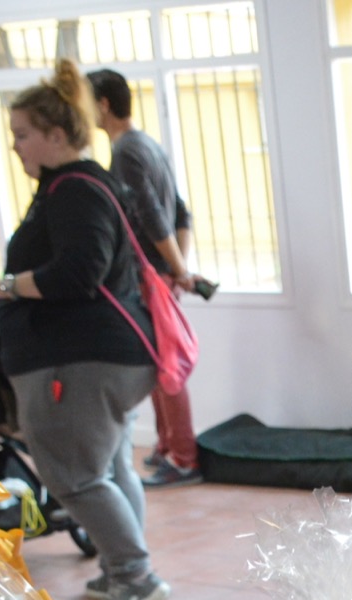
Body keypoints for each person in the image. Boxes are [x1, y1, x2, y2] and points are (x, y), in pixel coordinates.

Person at [0, 59, 170, 600]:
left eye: (23, 135)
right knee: (107, 470)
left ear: (57, 135)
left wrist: (2, 286)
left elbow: (78, 272)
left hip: (81, 360)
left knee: (77, 477)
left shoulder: (74, 189)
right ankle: (122, 567)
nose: (15, 147)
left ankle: (135, 575)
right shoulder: (80, 185)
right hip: (103, 356)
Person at [88, 67, 202, 489]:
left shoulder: (126, 152)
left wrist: (175, 270)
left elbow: (157, 215)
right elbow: (180, 212)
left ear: (102, 104)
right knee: (159, 369)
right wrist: (178, 269)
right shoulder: (146, 144)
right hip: (159, 275)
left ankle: (185, 459)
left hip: (150, 277)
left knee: (167, 369)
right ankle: (168, 446)